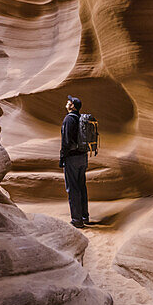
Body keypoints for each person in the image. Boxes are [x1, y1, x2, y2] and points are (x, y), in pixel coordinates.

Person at [60, 95, 89, 228]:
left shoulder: (69, 119)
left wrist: (62, 158)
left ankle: (77, 220)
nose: (67, 102)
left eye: (69, 101)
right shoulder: (81, 118)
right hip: (83, 157)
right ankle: (85, 216)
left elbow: (66, 141)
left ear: (72, 106)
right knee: (81, 187)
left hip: (72, 158)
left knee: (73, 189)